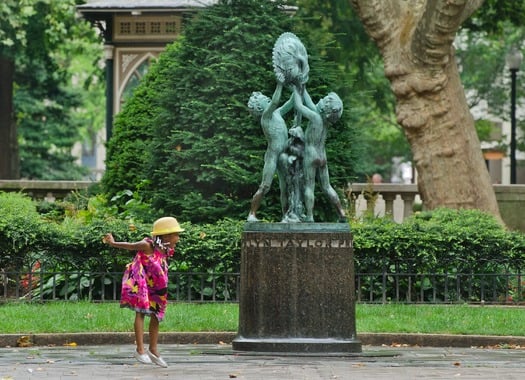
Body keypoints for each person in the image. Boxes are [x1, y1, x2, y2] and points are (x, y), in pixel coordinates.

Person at [103, 216, 184, 367]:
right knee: (140, 313)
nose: (177, 238)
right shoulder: (148, 245)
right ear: (166, 235)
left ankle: (153, 350)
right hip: (143, 284)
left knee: (156, 315)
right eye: (176, 234)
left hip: (158, 287)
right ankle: (140, 350)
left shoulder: (165, 249)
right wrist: (113, 243)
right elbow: (131, 246)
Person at [292, 86, 347, 222]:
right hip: (322, 155)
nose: (321, 99)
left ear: (324, 109)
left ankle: (309, 216)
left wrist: (295, 90)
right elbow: (309, 101)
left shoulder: (315, 117)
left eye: (324, 100)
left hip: (311, 154)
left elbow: (299, 106)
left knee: (309, 185)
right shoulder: (325, 121)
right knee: (326, 186)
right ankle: (342, 214)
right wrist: (302, 87)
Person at [247, 81, 294, 222]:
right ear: (260, 108)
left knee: (286, 186)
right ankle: (252, 214)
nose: (268, 99)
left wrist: (297, 87)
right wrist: (280, 84)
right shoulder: (265, 117)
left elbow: (291, 102)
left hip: (283, 155)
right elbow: (275, 101)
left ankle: (287, 215)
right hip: (272, 156)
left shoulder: (277, 113)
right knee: (265, 186)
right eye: (264, 100)